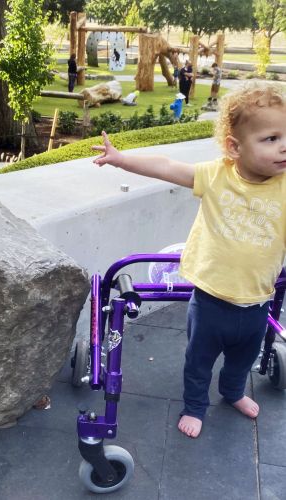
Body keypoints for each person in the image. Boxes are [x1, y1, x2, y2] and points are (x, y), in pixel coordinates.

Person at [92, 81, 286, 439]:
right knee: (199, 362)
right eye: (270, 138)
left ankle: (232, 392)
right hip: (211, 299)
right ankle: (195, 406)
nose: (283, 146)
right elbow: (167, 166)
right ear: (234, 146)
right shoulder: (216, 176)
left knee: (242, 361)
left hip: (258, 299)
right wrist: (121, 159)